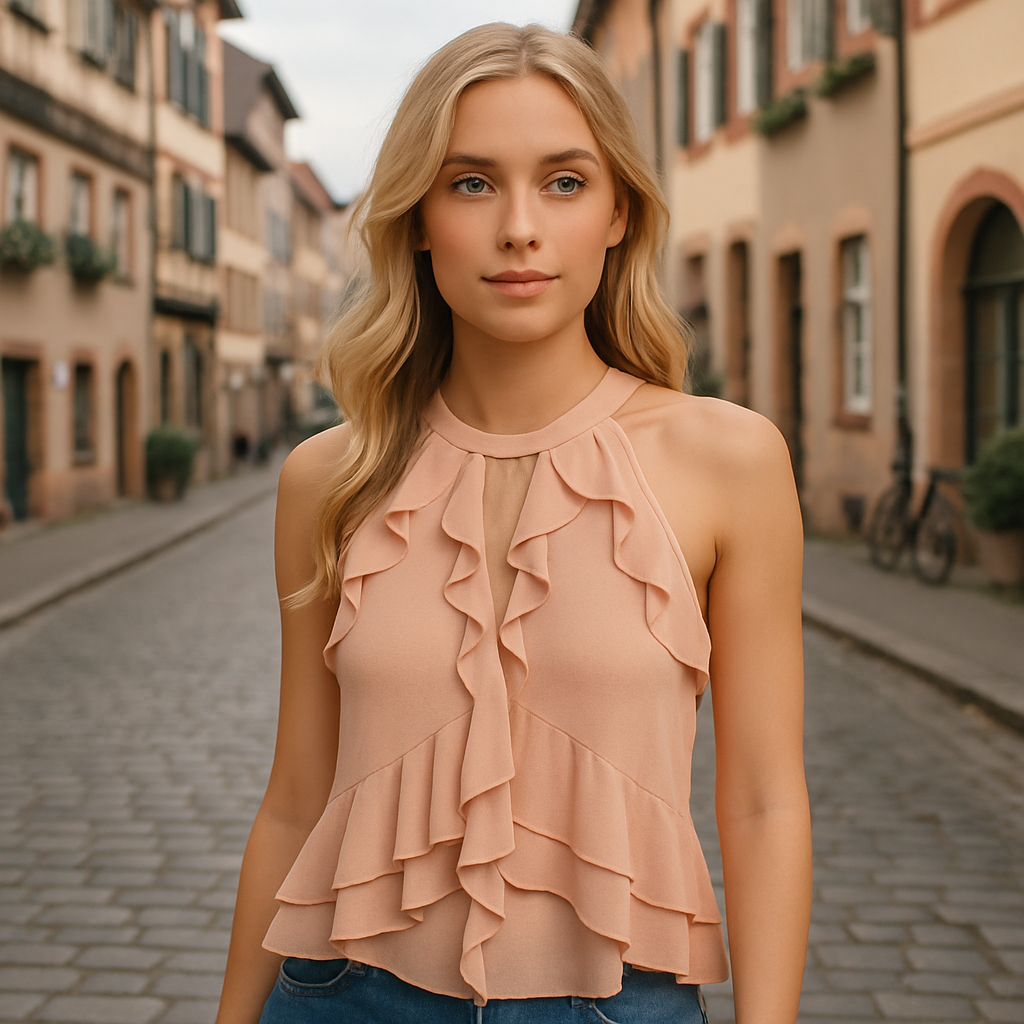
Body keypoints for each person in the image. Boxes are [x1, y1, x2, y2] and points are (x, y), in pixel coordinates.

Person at [215, 22, 811, 1024]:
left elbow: (761, 799)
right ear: (416, 217)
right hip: (340, 998)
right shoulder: (327, 477)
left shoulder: (730, 459)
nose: (520, 228)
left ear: (619, 210)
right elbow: (294, 795)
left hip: (621, 1005)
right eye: (472, 182)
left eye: (565, 182)